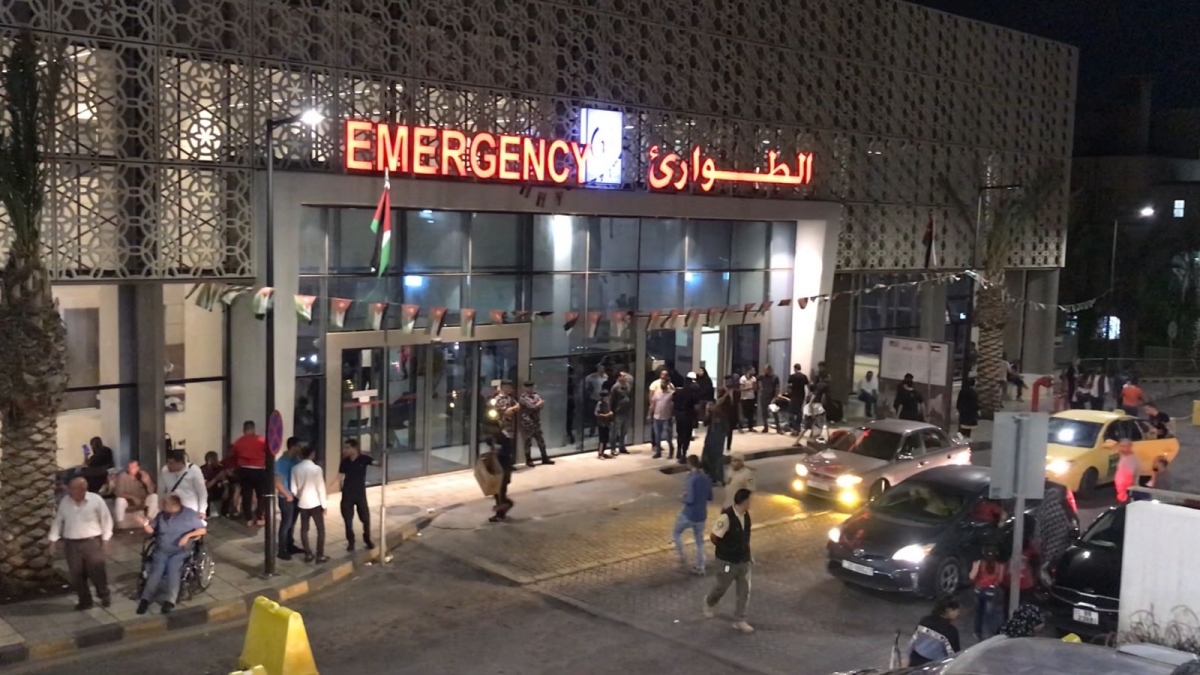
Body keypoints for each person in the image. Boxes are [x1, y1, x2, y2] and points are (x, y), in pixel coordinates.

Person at [135, 493, 206, 615]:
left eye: (165, 505)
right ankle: (145, 599)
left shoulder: (189, 515)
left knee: (174, 571)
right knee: (155, 573)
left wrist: (187, 536)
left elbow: (202, 530)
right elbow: (152, 530)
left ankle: (170, 601)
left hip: (179, 551)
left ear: (174, 506)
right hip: (161, 550)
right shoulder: (162, 515)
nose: (163, 507)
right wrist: (145, 524)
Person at [49, 477, 114, 610]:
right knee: (76, 574)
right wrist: (53, 540)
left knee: (97, 572)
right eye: (70, 488)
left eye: (74, 489)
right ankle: (85, 600)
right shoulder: (65, 502)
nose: (70, 491)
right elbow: (58, 521)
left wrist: (106, 540)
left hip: (92, 542)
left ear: (83, 490)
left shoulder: (96, 500)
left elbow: (106, 520)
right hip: (72, 544)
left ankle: (104, 594)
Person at [703, 488, 754, 634]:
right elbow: (714, 537)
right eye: (750, 500)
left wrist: (749, 555)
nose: (751, 503)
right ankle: (710, 601)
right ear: (744, 501)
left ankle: (740, 620)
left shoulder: (746, 516)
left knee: (744, 591)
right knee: (722, 586)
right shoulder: (726, 517)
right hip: (727, 563)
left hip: (743, 561)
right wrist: (725, 550)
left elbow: (745, 539)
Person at [673, 455, 712, 575]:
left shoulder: (691, 479)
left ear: (689, 464)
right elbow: (710, 497)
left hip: (689, 514)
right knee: (699, 541)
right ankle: (700, 567)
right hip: (701, 515)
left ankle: (681, 555)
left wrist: (682, 498)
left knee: (676, 532)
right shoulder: (706, 478)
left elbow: (690, 499)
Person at [292, 445, 329, 563]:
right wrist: (324, 505)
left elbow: (293, 489)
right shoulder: (317, 469)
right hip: (315, 503)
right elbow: (321, 488)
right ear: (312, 454)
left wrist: (300, 496)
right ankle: (320, 555)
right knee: (320, 529)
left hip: (302, 503)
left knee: (304, 529)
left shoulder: (295, 468)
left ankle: (308, 554)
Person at [490, 380, 521, 522]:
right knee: (499, 486)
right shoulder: (497, 400)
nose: (510, 389)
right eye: (508, 387)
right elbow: (505, 411)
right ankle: (502, 508)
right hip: (503, 440)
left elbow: (517, 407)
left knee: (500, 487)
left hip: (503, 464)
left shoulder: (510, 398)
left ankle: (502, 509)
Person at [339, 439, 375, 551]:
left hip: (360, 494)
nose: (344, 450)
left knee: (365, 518)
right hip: (347, 494)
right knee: (348, 520)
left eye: (347, 448)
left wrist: (383, 456)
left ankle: (367, 538)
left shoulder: (363, 459)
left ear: (355, 448)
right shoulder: (345, 461)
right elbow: (340, 476)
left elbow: (377, 463)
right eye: (344, 448)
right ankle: (351, 541)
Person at [232, 420, 269, 526]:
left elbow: (235, 455)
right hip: (259, 469)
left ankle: (248, 518)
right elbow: (268, 452)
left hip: (244, 469)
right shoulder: (262, 440)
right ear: (253, 428)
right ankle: (259, 516)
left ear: (244, 430)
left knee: (246, 495)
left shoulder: (238, 442)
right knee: (261, 494)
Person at [1034, 482, 1075, 576]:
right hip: (1062, 554)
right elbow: (1073, 529)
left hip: (1048, 555)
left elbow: (1039, 536)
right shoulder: (1064, 512)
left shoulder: (1044, 513)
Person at [907, 596, 961, 666]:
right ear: (949, 610)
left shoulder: (925, 620)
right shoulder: (950, 631)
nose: (958, 613)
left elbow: (913, 641)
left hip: (914, 660)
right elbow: (953, 656)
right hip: (932, 666)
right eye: (956, 610)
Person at [273, 438, 302, 561]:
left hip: (295, 496)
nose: (300, 449)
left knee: (292, 523)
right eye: (299, 446)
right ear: (293, 446)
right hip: (286, 498)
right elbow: (277, 482)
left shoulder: (296, 460)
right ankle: (282, 550)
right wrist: (287, 494)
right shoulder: (282, 462)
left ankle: (290, 545)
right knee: (286, 523)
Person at [969, 546, 1006, 639]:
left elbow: (972, 577)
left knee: (979, 613)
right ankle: (990, 634)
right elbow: (1000, 580)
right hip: (991, 592)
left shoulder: (979, 563)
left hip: (979, 590)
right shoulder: (999, 565)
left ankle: (978, 632)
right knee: (989, 614)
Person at [158, 449, 207, 517]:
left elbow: (202, 492)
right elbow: (161, 490)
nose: (169, 465)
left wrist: (202, 510)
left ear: (180, 462)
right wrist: (161, 508)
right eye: (167, 462)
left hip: (190, 509)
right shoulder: (164, 471)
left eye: (171, 463)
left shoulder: (194, 470)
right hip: (171, 508)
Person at [703, 388, 734, 485]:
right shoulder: (713, 411)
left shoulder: (722, 412)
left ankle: (718, 477)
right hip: (711, 436)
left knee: (717, 457)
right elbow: (705, 422)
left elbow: (726, 428)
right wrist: (707, 413)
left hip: (718, 437)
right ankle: (712, 476)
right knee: (707, 456)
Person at [519, 381, 554, 467]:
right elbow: (532, 407)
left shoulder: (536, 395)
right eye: (529, 387)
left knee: (541, 441)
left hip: (536, 422)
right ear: (525, 388)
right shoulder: (523, 398)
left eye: (532, 387)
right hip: (527, 423)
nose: (531, 389)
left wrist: (538, 405)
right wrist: (538, 404)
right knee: (528, 442)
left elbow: (541, 406)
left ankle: (544, 458)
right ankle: (528, 460)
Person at [113, 460, 159, 526]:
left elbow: (152, 492)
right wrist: (132, 497)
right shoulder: (122, 476)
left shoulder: (144, 475)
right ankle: (120, 523)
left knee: (154, 497)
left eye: (133, 468)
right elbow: (118, 492)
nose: (131, 470)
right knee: (119, 501)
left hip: (143, 501)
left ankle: (149, 521)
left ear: (138, 468)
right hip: (129, 503)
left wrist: (147, 483)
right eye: (129, 468)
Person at [648, 370, 676, 459]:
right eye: (662, 383)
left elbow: (674, 405)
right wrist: (649, 414)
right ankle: (658, 452)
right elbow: (652, 404)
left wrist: (673, 416)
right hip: (657, 417)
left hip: (667, 418)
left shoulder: (671, 393)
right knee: (657, 435)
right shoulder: (657, 392)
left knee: (668, 437)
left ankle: (671, 450)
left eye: (664, 383)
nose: (662, 384)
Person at [674, 373, 700, 463]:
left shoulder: (678, 392)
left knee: (680, 434)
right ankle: (683, 454)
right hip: (688, 416)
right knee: (686, 436)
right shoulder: (692, 394)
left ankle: (678, 451)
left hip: (679, 415)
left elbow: (673, 401)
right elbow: (696, 406)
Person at [609, 372, 633, 455]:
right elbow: (612, 399)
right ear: (619, 377)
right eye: (623, 376)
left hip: (626, 411)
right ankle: (613, 449)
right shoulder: (615, 387)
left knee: (624, 431)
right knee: (615, 432)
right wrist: (611, 410)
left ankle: (622, 447)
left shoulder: (627, 385)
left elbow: (629, 396)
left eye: (625, 376)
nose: (625, 377)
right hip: (618, 412)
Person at [200, 452, 229, 518]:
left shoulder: (220, 468)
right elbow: (206, 486)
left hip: (218, 489)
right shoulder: (203, 470)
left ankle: (224, 514)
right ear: (209, 461)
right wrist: (216, 478)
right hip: (208, 491)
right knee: (205, 495)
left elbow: (225, 480)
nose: (217, 461)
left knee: (229, 491)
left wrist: (226, 489)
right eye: (215, 460)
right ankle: (206, 515)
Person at [584, 365, 608, 436]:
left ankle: (602, 431)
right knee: (593, 415)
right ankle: (592, 430)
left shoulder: (606, 377)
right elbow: (586, 381)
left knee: (603, 415)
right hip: (594, 398)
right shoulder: (592, 377)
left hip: (603, 399)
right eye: (600, 369)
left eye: (602, 369)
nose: (601, 370)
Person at [1114, 438, 1140, 503]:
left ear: (1129, 447)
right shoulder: (1123, 456)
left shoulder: (1132, 459)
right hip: (1121, 485)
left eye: (1124, 446)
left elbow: (1133, 474)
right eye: (1121, 446)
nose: (1121, 448)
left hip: (1127, 486)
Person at [787, 364, 810, 434]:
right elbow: (808, 386)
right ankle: (798, 426)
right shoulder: (804, 376)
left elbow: (788, 385)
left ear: (795, 368)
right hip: (801, 395)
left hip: (794, 395)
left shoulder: (792, 376)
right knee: (799, 411)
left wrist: (789, 392)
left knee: (791, 411)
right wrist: (809, 394)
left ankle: (794, 427)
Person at [758, 365, 780, 432]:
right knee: (764, 412)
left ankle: (778, 428)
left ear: (770, 370)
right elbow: (755, 381)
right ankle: (765, 427)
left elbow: (777, 388)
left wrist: (775, 397)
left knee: (775, 412)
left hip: (771, 397)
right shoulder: (762, 376)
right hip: (764, 396)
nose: (765, 371)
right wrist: (759, 388)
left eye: (767, 370)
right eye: (765, 370)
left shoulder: (775, 377)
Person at [737, 367, 758, 433]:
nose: (754, 372)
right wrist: (750, 388)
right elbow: (741, 388)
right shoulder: (742, 378)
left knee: (751, 414)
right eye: (753, 370)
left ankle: (750, 427)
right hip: (744, 398)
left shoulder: (754, 378)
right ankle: (740, 427)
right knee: (743, 414)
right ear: (749, 371)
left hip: (751, 397)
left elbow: (755, 388)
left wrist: (754, 386)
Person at [594, 392, 614, 459]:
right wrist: (606, 415)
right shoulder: (600, 403)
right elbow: (596, 413)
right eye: (606, 396)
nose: (608, 398)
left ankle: (603, 452)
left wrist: (610, 413)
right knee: (602, 439)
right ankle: (600, 454)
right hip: (601, 423)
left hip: (607, 423)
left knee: (606, 438)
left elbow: (609, 411)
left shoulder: (607, 403)